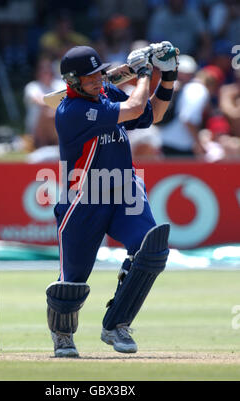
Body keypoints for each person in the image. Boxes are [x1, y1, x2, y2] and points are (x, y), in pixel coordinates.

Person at [45, 43, 179, 357]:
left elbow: (153, 114)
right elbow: (133, 108)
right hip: (84, 197)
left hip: (124, 190)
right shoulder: (72, 111)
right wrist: (144, 72)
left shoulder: (105, 94)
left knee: (151, 247)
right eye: (89, 76)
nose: (97, 79)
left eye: (99, 73)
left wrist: (169, 75)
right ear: (73, 81)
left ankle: (116, 325)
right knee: (72, 281)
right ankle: (63, 334)